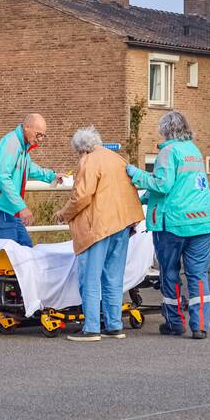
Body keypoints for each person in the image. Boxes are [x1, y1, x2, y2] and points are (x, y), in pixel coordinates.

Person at [126, 110, 210, 339]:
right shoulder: (194, 151)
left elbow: (163, 185)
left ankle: (175, 322)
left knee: (170, 273)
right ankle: (200, 325)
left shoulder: (168, 152)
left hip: (173, 224)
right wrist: (145, 197)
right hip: (202, 222)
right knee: (198, 275)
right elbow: (180, 187)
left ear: (165, 130)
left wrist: (135, 174)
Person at [57, 127, 144, 342]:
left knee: (90, 278)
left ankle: (92, 328)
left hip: (98, 227)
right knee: (113, 278)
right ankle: (114, 325)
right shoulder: (118, 159)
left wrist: (63, 214)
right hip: (122, 225)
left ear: (82, 150)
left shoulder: (89, 161)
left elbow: (81, 197)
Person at [0, 113, 63, 247]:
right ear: (27, 127)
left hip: (9, 205)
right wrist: (21, 207)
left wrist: (52, 176)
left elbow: (28, 167)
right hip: (0, 204)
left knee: (25, 245)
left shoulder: (22, 146)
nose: (40, 139)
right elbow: (3, 176)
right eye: (38, 134)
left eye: (43, 136)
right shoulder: (11, 144)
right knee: (11, 250)